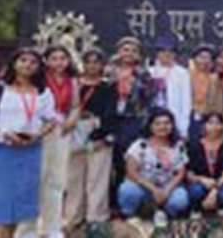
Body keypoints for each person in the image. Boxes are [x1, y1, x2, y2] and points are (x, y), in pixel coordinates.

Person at [0, 48, 56, 238]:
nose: (28, 64)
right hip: (3, 150)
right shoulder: (1, 89)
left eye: (33, 62)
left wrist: (37, 135)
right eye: (23, 60)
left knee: (20, 201)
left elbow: (51, 120)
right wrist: (4, 133)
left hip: (30, 151)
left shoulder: (43, 92)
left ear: (39, 67)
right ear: (14, 63)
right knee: (3, 203)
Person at [65, 49, 118, 235]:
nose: (92, 65)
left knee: (98, 179)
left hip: (99, 132)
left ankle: (96, 219)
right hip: (73, 131)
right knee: (73, 178)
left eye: (97, 62)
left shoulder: (108, 86)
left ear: (102, 65)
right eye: (89, 61)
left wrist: (103, 137)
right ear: (83, 64)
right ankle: (72, 217)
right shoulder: (73, 84)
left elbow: (111, 113)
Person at [31, 45, 80, 238]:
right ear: (46, 60)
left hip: (62, 130)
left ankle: (53, 227)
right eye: (54, 58)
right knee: (38, 178)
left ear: (68, 60)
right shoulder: (39, 79)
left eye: (63, 58)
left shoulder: (72, 81)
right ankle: (31, 226)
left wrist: (71, 121)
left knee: (57, 180)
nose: (59, 62)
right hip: (41, 130)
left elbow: (75, 105)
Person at [118, 109, 189, 222]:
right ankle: (129, 215)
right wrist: (154, 190)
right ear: (150, 127)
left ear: (172, 126)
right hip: (144, 187)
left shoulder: (178, 146)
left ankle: (167, 215)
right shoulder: (140, 145)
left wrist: (166, 191)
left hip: (167, 187)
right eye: (158, 123)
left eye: (167, 123)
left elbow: (180, 173)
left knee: (180, 199)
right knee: (127, 190)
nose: (163, 127)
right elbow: (131, 172)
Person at [109, 37, 152, 207]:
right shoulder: (109, 71)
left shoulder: (144, 73)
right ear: (118, 52)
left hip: (133, 120)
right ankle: (110, 201)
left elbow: (148, 96)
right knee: (109, 161)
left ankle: (127, 201)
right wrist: (117, 80)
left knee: (129, 159)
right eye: (125, 50)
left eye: (134, 51)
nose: (129, 53)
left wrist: (134, 81)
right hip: (111, 119)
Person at [187, 113, 223, 218]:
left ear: (222, 126)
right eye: (210, 123)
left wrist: (214, 190)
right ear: (204, 125)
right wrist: (202, 180)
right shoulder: (194, 145)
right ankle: (197, 208)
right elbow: (189, 174)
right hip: (200, 182)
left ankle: (220, 205)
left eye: (218, 123)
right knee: (195, 191)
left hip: (220, 183)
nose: (214, 126)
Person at [148, 37, 191, 139]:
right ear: (157, 53)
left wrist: (183, 128)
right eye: (163, 51)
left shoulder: (182, 73)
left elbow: (186, 102)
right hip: (152, 118)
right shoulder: (149, 72)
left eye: (170, 51)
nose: (167, 54)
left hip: (174, 118)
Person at [188, 45, 223, 143]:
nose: (204, 61)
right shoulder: (186, 76)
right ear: (194, 60)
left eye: (207, 58)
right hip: (188, 115)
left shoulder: (214, 79)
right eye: (201, 57)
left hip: (208, 118)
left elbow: (219, 103)